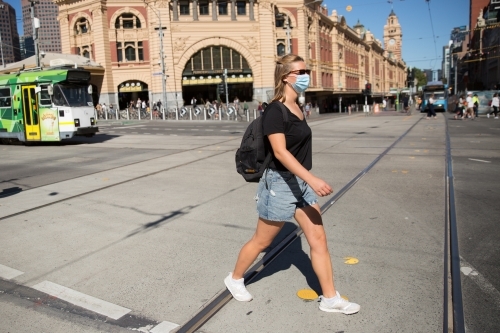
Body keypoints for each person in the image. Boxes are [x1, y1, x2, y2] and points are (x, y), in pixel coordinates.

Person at [224, 54, 360, 315]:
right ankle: (235, 278)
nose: (306, 75)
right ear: (286, 77)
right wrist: (313, 179)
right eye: (301, 71)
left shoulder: (298, 106)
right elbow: (280, 152)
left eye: (306, 70)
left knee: (318, 239)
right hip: (279, 183)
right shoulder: (275, 110)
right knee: (261, 242)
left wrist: (306, 179)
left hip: (300, 182)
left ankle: (330, 298)